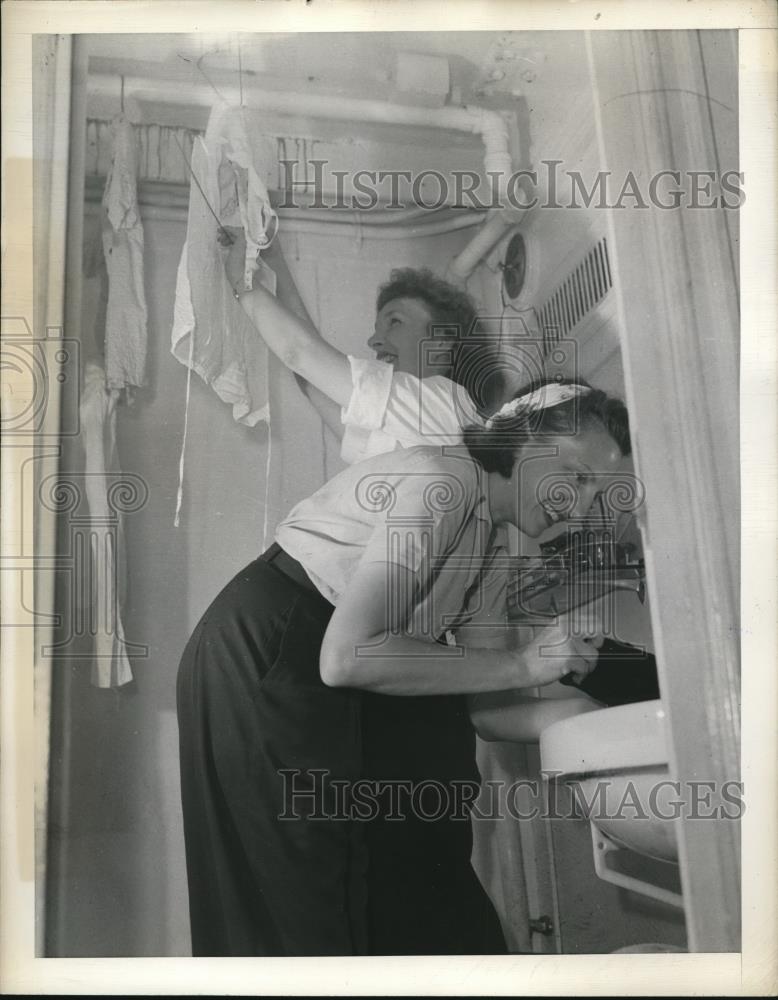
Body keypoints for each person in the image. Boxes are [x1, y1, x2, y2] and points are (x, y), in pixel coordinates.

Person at [176, 378, 631, 956]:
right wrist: (523, 663)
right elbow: (348, 657)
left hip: (313, 655)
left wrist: (600, 718)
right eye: (580, 477)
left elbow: (489, 710)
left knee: (387, 881)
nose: (584, 507)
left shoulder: (493, 541)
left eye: (598, 494)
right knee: (304, 910)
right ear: (528, 441)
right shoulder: (443, 481)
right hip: (269, 651)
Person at [219, 226, 501, 463]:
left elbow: (300, 353)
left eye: (395, 322)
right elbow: (311, 380)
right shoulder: (416, 417)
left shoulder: (440, 403)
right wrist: (274, 258)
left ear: (441, 342)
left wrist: (241, 284)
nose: (373, 341)